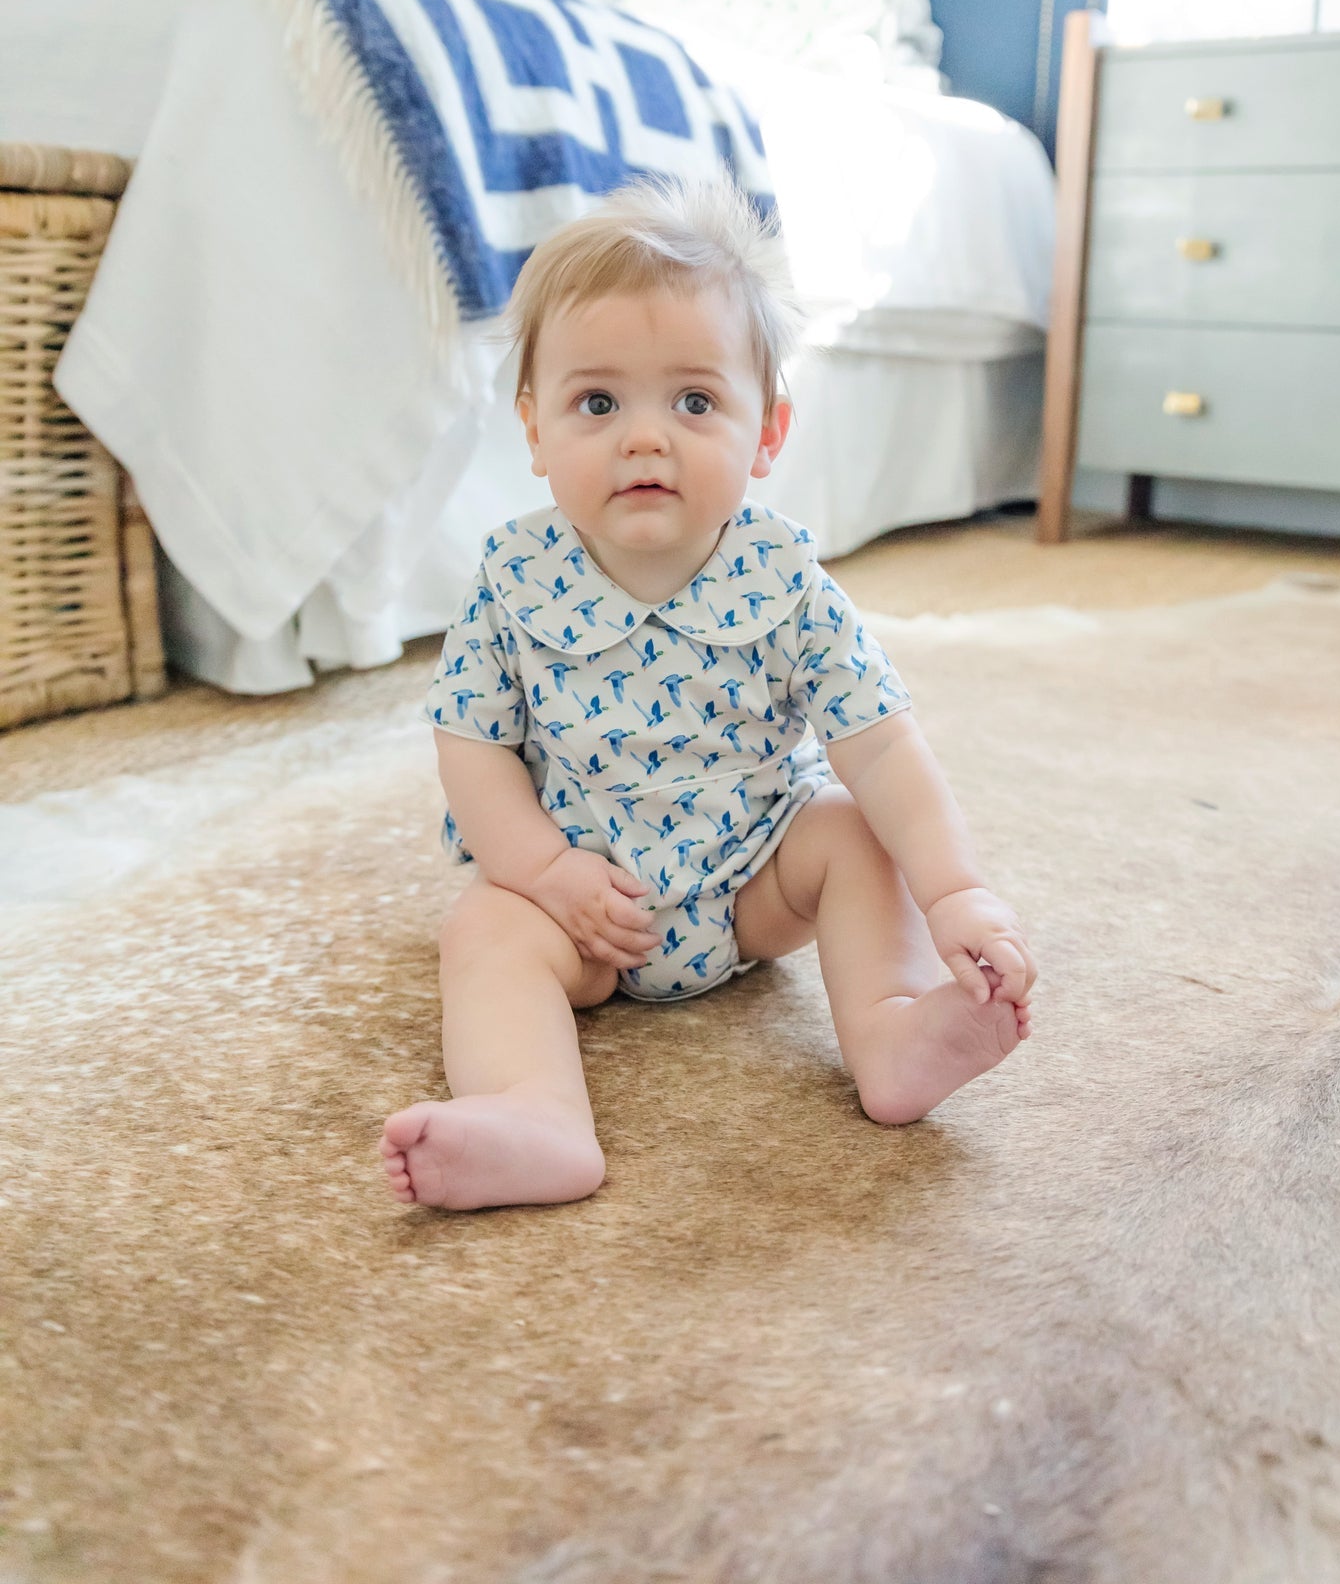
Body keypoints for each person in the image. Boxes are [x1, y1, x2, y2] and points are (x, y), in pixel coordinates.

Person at [380, 175, 1035, 1211]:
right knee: (483, 929)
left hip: (752, 885)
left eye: (694, 400)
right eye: (598, 402)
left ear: (767, 431)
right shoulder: (513, 578)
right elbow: (472, 746)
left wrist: (955, 889)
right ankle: (533, 1110)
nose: (647, 437)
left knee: (853, 827)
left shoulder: (784, 579)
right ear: (535, 429)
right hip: (585, 908)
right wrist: (546, 873)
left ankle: (892, 1030)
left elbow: (881, 742)